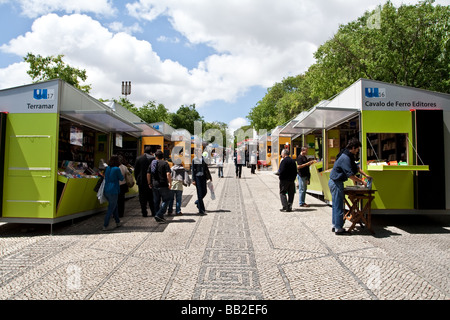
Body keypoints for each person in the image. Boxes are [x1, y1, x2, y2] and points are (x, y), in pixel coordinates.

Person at [328, 138, 371, 235]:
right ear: (353, 148)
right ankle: (338, 228)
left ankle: (335, 225)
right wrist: (361, 182)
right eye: (357, 149)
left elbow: (356, 168)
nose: (357, 151)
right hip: (336, 182)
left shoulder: (348, 155)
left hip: (335, 182)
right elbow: (350, 175)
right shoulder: (345, 158)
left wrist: (366, 176)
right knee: (338, 205)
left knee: (336, 205)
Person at [147, 151, 172, 223]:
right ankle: (159, 214)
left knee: (156, 201)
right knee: (166, 200)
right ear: (163, 156)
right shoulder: (165, 163)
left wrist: (149, 182)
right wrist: (170, 183)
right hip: (163, 184)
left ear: (155, 156)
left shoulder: (152, 163)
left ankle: (158, 215)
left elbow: (148, 174)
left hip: (154, 184)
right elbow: (168, 174)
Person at [103, 155, 124, 231]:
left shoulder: (107, 168)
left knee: (114, 206)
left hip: (106, 189)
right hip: (113, 189)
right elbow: (121, 178)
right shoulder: (117, 169)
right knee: (111, 208)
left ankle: (117, 222)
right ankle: (105, 225)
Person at [134, 147, 155, 217]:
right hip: (151, 180)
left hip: (141, 181)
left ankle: (144, 212)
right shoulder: (153, 158)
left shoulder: (139, 158)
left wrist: (137, 179)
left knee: (142, 197)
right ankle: (153, 212)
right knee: (151, 197)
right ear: (151, 152)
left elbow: (136, 171)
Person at [192, 149, 212, 215]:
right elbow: (193, 170)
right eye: (198, 152)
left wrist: (209, 177)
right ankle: (201, 210)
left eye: (200, 151)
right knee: (199, 193)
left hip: (203, 177)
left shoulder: (204, 159)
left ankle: (198, 202)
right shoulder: (194, 160)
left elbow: (206, 169)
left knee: (205, 191)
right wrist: (193, 180)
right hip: (197, 177)